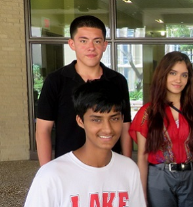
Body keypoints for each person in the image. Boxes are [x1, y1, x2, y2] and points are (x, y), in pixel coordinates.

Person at [24, 79, 146, 207]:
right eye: (96, 120)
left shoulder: (129, 169)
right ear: (80, 121)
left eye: (114, 118)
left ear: (122, 119)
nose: (107, 129)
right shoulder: (51, 175)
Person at [35, 15, 132, 166]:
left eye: (97, 41)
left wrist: (127, 165)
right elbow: (43, 130)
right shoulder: (56, 80)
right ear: (72, 44)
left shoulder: (117, 81)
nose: (91, 47)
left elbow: (125, 127)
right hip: (68, 166)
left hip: (110, 164)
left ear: (105, 45)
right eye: (83, 40)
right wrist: (46, 171)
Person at [129, 51, 193, 206]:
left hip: (192, 176)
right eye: (173, 73)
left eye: (184, 75)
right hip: (159, 178)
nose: (179, 80)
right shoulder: (148, 112)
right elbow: (142, 157)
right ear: (163, 74)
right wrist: (141, 194)